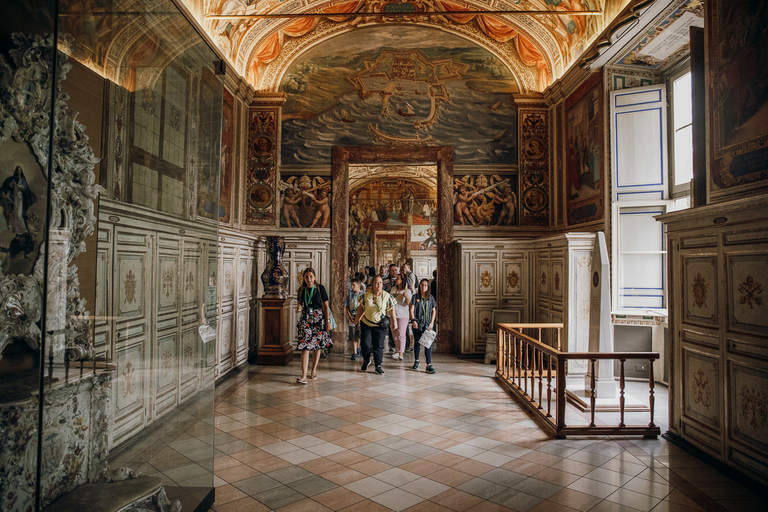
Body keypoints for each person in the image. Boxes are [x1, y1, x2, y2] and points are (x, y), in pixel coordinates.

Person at [355, 275, 397, 375]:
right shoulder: (366, 295)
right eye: (376, 283)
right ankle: (366, 359)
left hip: (379, 325)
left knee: (378, 346)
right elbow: (361, 308)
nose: (378, 285)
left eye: (380, 283)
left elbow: (391, 309)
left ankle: (378, 365)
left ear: (383, 284)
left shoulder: (386, 296)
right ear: (372, 284)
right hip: (366, 324)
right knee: (365, 344)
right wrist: (357, 319)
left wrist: (394, 321)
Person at [295, 267, 331, 384]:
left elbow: (325, 306)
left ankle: (314, 369)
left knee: (317, 345)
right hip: (306, 319)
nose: (309, 279)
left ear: (314, 277)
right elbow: (299, 304)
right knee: (304, 346)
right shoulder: (301, 290)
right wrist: (299, 308)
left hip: (319, 318)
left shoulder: (320, 288)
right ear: (304, 278)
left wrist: (327, 321)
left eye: (311, 276)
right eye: (306, 277)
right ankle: (303, 375)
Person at [410, 278, 437, 374]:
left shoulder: (431, 298)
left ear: (428, 287)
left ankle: (428, 365)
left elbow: (434, 311)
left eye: (425, 285)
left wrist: (432, 323)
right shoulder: (415, 297)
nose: (423, 287)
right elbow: (411, 309)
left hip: (428, 324)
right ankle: (416, 361)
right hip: (417, 323)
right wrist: (413, 320)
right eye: (422, 285)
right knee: (417, 343)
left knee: (427, 344)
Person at [390, 275, 412, 361]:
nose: (396, 280)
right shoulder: (393, 289)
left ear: (403, 280)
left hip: (403, 314)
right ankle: (397, 350)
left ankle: (401, 353)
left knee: (401, 333)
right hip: (393, 313)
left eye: (398, 278)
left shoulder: (408, 291)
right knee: (394, 333)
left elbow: (409, 303)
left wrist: (406, 296)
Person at [346, 278, 364, 361]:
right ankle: (354, 352)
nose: (352, 287)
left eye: (354, 285)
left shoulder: (363, 295)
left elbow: (365, 307)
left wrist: (360, 317)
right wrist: (349, 315)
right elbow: (347, 305)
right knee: (353, 334)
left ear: (359, 286)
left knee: (359, 333)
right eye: (351, 285)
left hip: (360, 317)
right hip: (352, 316)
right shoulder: (350, 294)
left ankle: (358, 347)